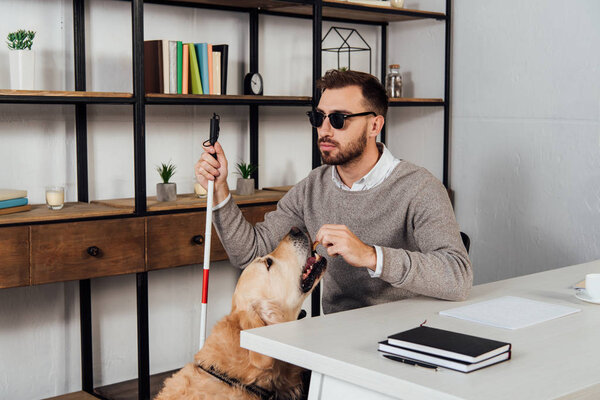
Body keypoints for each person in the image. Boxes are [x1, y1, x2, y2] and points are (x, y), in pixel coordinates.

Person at [195, 69, 472, 314]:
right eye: (318, 117)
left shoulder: (419, 187)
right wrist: (220, 191)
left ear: (374, 125)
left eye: (339, 119)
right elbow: (251, 253)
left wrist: (371, 256)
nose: (324, 130)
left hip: (405, 336)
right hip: (335, 338)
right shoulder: (313, 187)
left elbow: (457, 276)